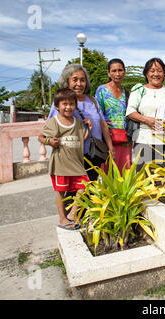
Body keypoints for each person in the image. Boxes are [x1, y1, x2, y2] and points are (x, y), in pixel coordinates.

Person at [44, 64, 113, 181]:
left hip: (94, 154)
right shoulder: (62, 103)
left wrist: (110, 148)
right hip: (72, 156)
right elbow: (51, 129)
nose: (79, 84)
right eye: (75, 80)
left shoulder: (92, 100)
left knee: (91, 187)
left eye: (82, 80)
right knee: (73, 192)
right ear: (67, 82)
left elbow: (103, 124)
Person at [40, 88, 92, 230]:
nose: (68, 107)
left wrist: (89, 129)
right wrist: (49, 141)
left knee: (84, 186)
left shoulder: (77, 122)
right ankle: (62, 218)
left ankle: (72, 214)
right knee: (60, 192)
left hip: (76, 163)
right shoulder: (54, 122)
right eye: (64, 104)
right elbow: (41, 137)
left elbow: (80, 139)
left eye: (71, 104)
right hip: (60, 165)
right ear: (57, 106)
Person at [126, 57, 165, 172]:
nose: (156, 74)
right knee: (144, 178)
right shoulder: (139, 89)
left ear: (164, 73)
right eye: (152, 71)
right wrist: (147, 120)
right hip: (145, 140)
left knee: (164, 179)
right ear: (146, 73)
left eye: (160, 71)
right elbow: (130, 111)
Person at [95, 58, 131, 174]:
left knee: (124, 174)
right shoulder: (102, 90)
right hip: (108, 140)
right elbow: (98, 116)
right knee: (109, 175)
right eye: (114, 70)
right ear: (109, 73)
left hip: (124, 140)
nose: (117, 74)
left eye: (120, 70)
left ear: (124, 72)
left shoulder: (126, 92)